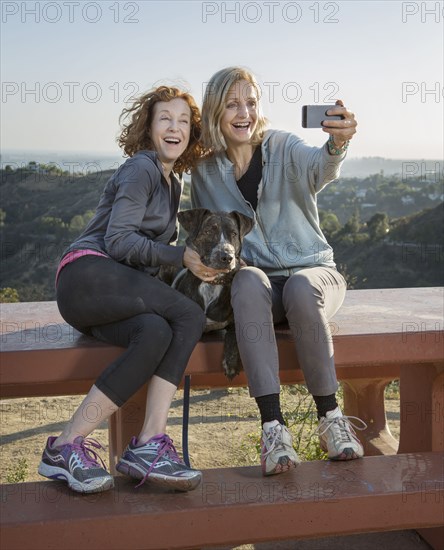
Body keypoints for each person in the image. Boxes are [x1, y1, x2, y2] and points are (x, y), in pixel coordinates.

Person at [38, 85, 219, 493]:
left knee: (155, 330)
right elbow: (118, 242)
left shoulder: (172, 184)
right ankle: (149, 441)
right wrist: (182, 256)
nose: (175, 128)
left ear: (193, 133)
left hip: (107, 297)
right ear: (148, 127)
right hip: (87, 273)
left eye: (184, 121)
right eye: (165, 119)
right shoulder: (143, 168)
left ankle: (64, 448)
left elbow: (145, 264)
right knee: (188, 315)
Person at [191, 67, 366, 477]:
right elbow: (205, 233)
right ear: (216, 110)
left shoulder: (284, 146)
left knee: (302, 288)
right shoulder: (204, 170)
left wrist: (337, 143)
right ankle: (273, 429)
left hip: (313, 273)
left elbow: (320, 168)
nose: (244, 112)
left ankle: (331, 418)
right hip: (262, 287)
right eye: (233, 103)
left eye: (251, 102)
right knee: (248, 279)